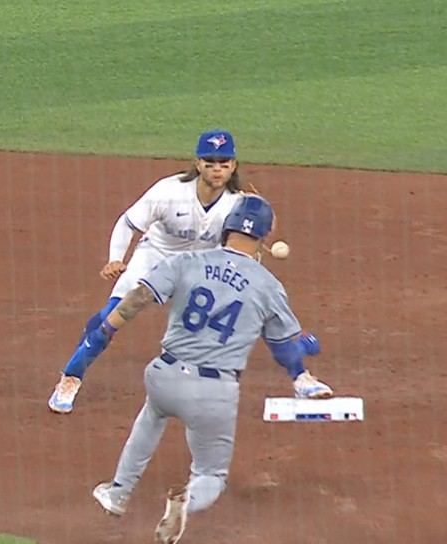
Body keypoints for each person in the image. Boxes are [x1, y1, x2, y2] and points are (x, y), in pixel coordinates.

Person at [73, 194, 334, 544]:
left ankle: (118, 493)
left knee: (152, 414)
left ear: (226, 229)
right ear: (264, 236)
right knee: (211, 473)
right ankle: (187, 502)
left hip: (163, 375)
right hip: (215, 393)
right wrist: (301, 362)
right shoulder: (268, 285)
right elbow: (285, 348)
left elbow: (137, 299)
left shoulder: (187, 261)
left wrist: (105, 329)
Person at [48, 129, 314, 413]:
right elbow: (128, 223)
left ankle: (301, 377)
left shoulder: (237, 202)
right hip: (156, 258)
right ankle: (71, 378)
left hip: (203, 266)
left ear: (233, 166)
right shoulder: (169, 190)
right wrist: (116, 259)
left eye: (224, 163)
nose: (217, 169)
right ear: (198, 163)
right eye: (210, 163)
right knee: (113, 314)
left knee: (252, 302)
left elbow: (259, 232)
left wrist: (260, 211)